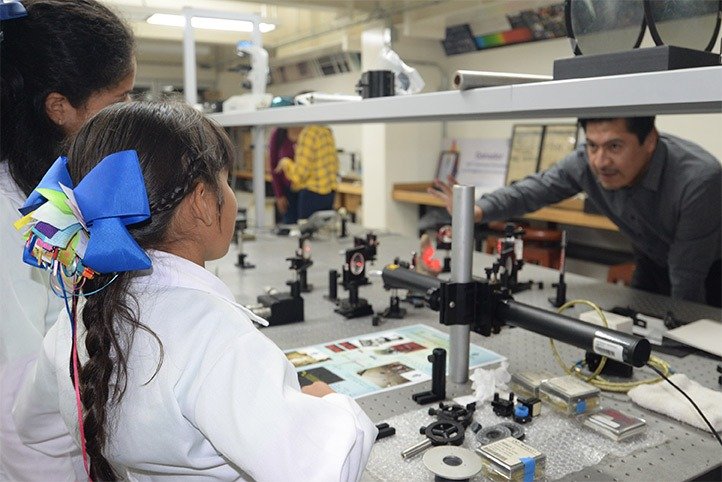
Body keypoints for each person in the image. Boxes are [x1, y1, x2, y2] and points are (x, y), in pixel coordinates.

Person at [12, 101, 377, 481]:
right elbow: (327, 469)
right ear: (203, 200)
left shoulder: (76, 320)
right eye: (227, 182)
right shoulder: (216, 338)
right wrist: (334, 406)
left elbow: (35, 428)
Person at [0, 1, 135, 479]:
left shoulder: (56, 184)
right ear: (59, 107)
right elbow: (15, 399)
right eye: (120, 98)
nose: (129, 114)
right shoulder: (9, 213)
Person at [431, 117, 721, 307]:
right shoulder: (586, 162)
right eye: (592, 145)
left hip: (710, 273)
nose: (600, 161)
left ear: (650, 141)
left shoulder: (697, 180)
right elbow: (536, 189)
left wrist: (683, 339)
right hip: (651, 261)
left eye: (614, 146)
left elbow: (688, 276)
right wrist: (478, 209)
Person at [275, 124, 339, 220]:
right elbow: (335, 164)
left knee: (306, 228)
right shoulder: (327, 131)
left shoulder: (308, 134)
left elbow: (300, 174)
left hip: (312, 195)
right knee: (323, 227)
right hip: (329, 194)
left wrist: (285, 163)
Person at [268, 126, 302, 224]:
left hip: (307, 190)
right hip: (287, 191)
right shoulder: (278, 134)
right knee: (289, 225)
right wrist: (279, 195)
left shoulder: (308, 132)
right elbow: (274, 167)